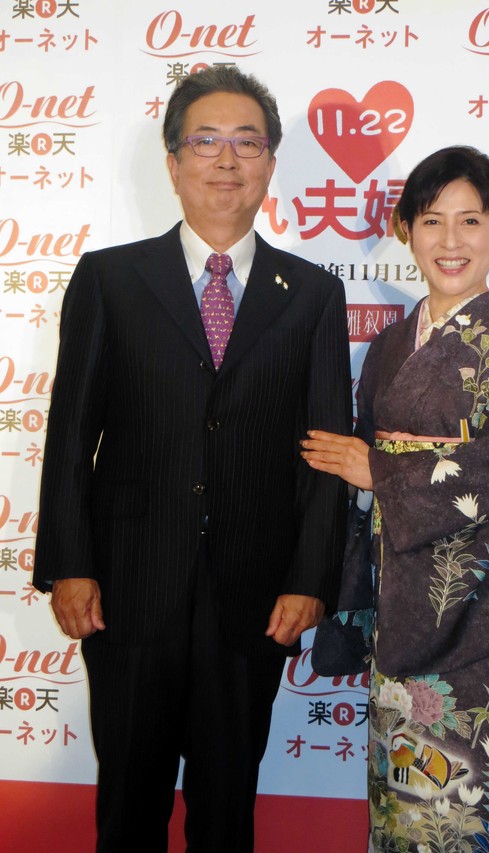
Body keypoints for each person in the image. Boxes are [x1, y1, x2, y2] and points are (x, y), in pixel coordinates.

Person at [32, 65, 352, 852]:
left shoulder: (312, 294)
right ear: (174, 161)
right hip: (127, 591)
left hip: (255, 598)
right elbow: (71, 435)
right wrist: (69, 564)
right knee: (128, 805)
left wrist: (311, 578)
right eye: (206, 141)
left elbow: (325, 453)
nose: (227, 160)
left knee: (226, 810)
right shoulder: (110, 279)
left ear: (271, 163)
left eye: (248, 142)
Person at [301, 146, 489, 852]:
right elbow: (359, 477)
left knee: (478, 799)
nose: (451, 241)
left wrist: (383, 472)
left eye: (470, 220)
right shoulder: (391, 347)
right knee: (404, 805)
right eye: (431, 221)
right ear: (406, 231)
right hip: (402, 604)